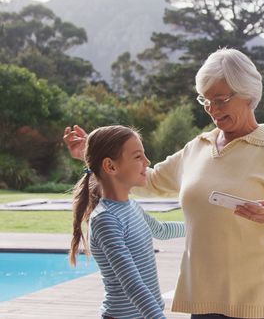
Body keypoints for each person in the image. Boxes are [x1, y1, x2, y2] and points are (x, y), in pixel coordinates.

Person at [63, 48, 264, 319]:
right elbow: (147, 178)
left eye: (221, 99)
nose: (212, 109)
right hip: (204, 293)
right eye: (206, 100)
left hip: (254, 294)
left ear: (248, 95)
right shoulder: (198, 148)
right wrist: (93, 155)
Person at [67, 125, 185, 319]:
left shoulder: (130, 205)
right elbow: (132, 284)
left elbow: (162, 230)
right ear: (111, 166)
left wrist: (203, 228)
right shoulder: (106, 219)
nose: (147, 162)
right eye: (138, 156)